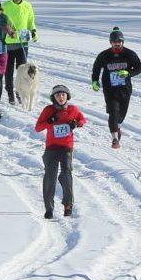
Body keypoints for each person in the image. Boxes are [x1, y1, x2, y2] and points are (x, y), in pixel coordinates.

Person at [34, 85, 86, 218]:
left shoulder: (73, 109)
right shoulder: (48, 110)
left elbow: (82, 120)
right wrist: (49, 122)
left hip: (66, 147)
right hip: (51, 147)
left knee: (67, 173)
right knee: (50, 177)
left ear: (67, 96)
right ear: (54, 98)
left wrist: (76, 124)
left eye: (63, 94)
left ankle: (68, 205)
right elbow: (38, 128)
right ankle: (49, 209)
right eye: (58, 95)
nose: (61, 97)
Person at [90, 28, 141, 150]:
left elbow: (139, 68)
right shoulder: (104, 55)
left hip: (124, 89)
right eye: (114, 41)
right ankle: (114, 138)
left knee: (121, 114)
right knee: (113, 112)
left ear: (123, 42)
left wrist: (128, 73)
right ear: (110, 42)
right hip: (110, 89)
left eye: (119, 41)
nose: (117, 43)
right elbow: (96, 68)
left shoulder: (129, 54)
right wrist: (95, 81)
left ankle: (117, 126)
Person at [2, 0, 38, 105]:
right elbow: (0, 20)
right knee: (9, 70)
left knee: (22, 70)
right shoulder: (5, 5)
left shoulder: (27, 5)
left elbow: (31, 22)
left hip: (23, 40)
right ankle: (10, 94)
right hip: (9, 42)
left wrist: (33, 32)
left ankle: (20, 93)